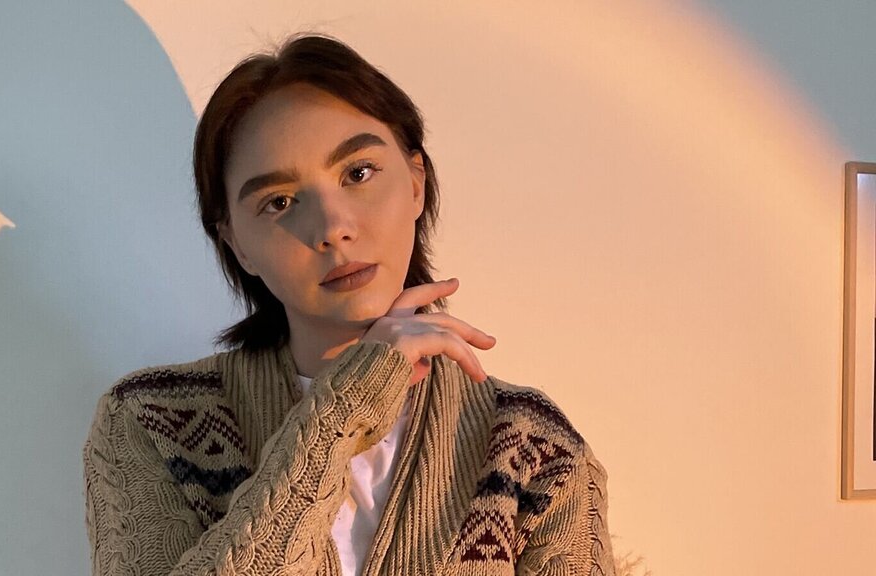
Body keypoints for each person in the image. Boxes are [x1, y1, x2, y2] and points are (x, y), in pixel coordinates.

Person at [83, 33, 616, 576]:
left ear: (415, 183)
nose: (333, 227)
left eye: (358, 173)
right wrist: (344, 408)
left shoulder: (534, 451)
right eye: (279, 202)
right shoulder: (151, 424)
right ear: (237, 243)